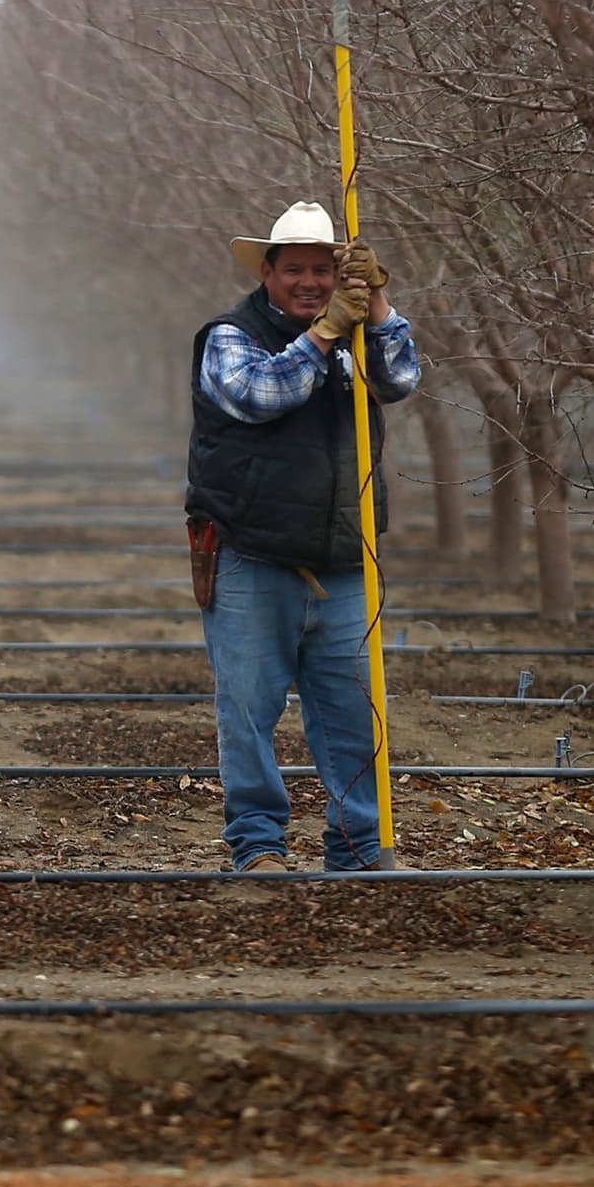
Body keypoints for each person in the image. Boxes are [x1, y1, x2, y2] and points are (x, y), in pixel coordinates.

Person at [184, 202, 422, 872]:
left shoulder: (354, 333)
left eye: (325, 270)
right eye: (296, 270)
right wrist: (324, 334)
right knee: (248, 709)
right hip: (252, 554)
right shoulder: (230, 336)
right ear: (268, 271)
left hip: (345, 557)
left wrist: (377, 306)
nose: (311, 282)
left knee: (353, 712)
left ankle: (358, 846)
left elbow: (401, 378)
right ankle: (257, 843)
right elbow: (261, 395)